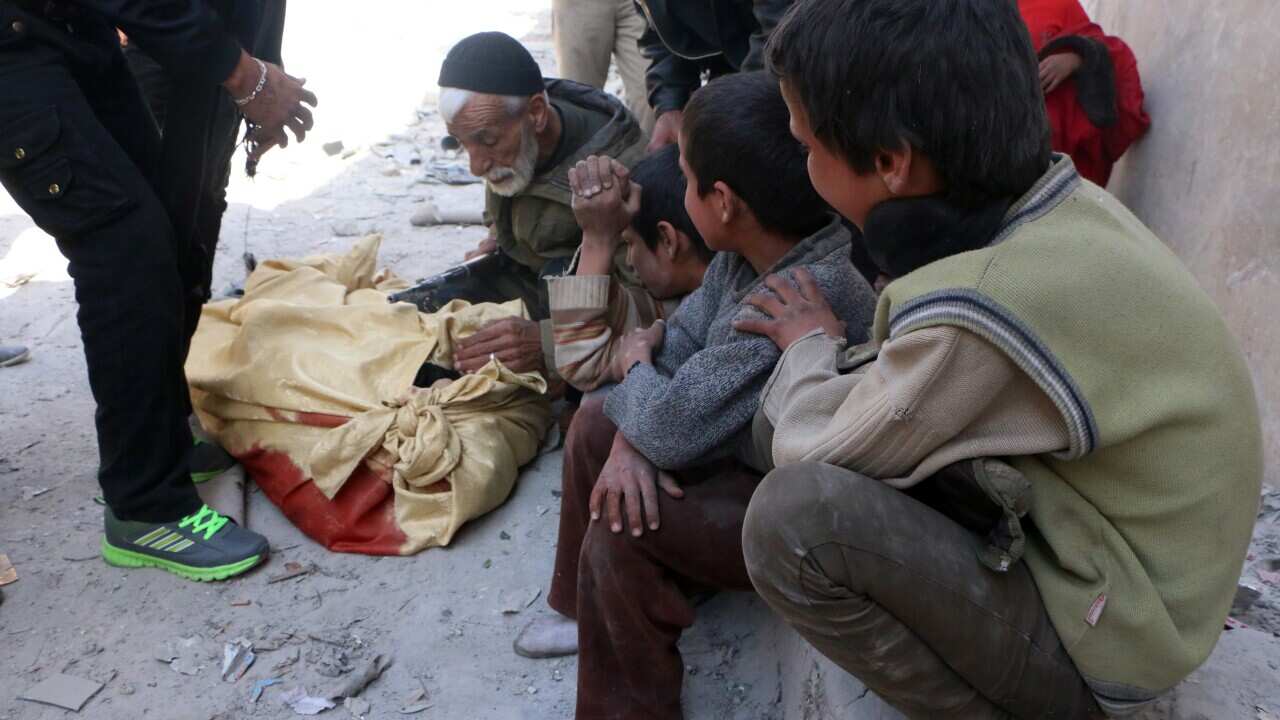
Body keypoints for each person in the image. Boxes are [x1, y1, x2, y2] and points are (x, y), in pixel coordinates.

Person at [735, 0, 1262, 717]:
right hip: (1133, 556)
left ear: (890, 162)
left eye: (807, 147)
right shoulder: (1053, 198)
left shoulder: (984, 305)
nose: (804, 163)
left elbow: (819, 451)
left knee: (791, 523)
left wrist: (805, 349)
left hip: (1127, 636)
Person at [514, 71, 878, 720]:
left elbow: (658, 385)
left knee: (620, 531)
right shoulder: (747, 256)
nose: (678, 196)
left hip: (797, 506)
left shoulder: (788, 296)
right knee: (597, 422)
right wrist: (636, 429)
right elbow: (674, 350)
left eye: (684, 180)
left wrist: (637, 385)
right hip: (736, 444)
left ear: (724, 202)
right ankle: (576, 609)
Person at [0, 0, 316, 581]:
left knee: (166, 229)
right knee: (125, 247)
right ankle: (145, 506)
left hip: (72, 26)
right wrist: (247, 75)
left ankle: (160, 441)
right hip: (12, 50)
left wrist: (258, 72)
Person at [433, 31, 648, 380]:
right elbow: (503, 211)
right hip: (536, 282)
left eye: (486, 141)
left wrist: (545, 341)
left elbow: (651, 305)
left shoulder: (617, 174)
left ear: (536, 113)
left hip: (594, 319)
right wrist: (498, 238)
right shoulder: (514, 135)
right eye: (461, 143)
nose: (475, 166)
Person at [549, 145, 712, 391]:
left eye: (630, 244)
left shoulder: (703, 312)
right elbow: (619, 314)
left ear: (668, 240)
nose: (629, 261)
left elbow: (581, 362)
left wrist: (598, 240)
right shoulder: (694, 294)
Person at [1019, 0, 1150, 186]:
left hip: (1070, 157)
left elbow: (1106, 52)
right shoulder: (974, 22)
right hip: (1013, 160)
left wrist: (1074, 58)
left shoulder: (1058, 4)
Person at [635, 0, 796, 151]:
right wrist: (669, 104)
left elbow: (781, 26)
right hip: (730, 72)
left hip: (789, 72)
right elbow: (659, 32)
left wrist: (735, 107)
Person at [552, 0, 655, 133]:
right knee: (578, 106)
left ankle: (648, 153)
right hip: (577, 5)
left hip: (640, 5)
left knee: (653, 99)